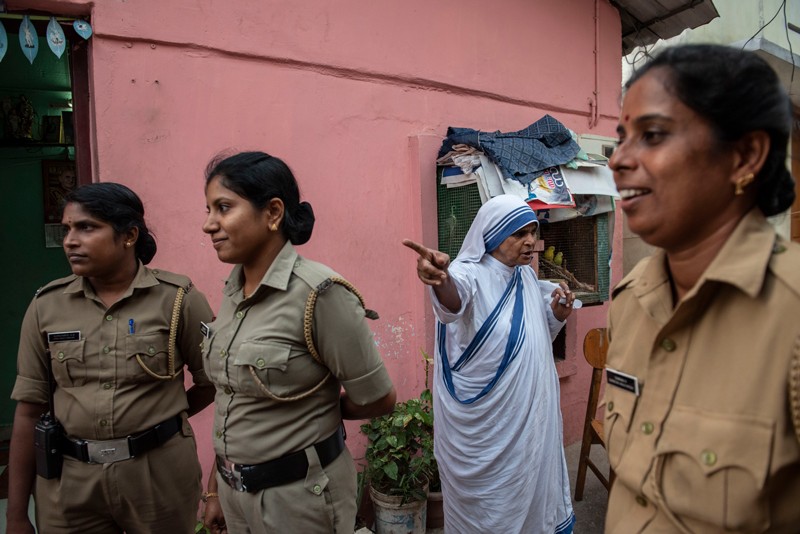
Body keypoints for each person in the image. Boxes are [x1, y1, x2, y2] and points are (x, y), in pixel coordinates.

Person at [605, 43, 800, 533]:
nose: (617, 161)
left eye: (651, 135)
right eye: (621, 137)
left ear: (744, 156)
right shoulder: (630, 303)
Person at [200, 151, 396, 534]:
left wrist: (316, 410)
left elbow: (378, 397)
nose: (209, 224)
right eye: (208, 209)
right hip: (234, 494)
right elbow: (232, 397)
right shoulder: (233, 290)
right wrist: (215, 489)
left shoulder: (318, 294)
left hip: (299, 498)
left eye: (223, 207)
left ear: (273, 213)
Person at [7, 182, 215, 533]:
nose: (70, 240)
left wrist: (161, 420)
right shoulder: (47, 306)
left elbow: (212, 383)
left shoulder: (178, 299)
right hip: (70, 483)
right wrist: (15, 515)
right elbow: (28, 411)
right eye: (67, 229)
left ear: (129, 235)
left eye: (86, 227)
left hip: (158, 477)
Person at [403, 194, 576, 534]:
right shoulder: (470, 274)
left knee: (532, 498)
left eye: (533, 231)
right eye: (519, 234)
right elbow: (453, 301)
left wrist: (557, 313)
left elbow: (535, 327)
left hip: (528, 428)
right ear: (494, 236)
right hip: (490, 432)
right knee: (491, 514)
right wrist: (441, 280)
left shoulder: (524, 277)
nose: (530, 242)